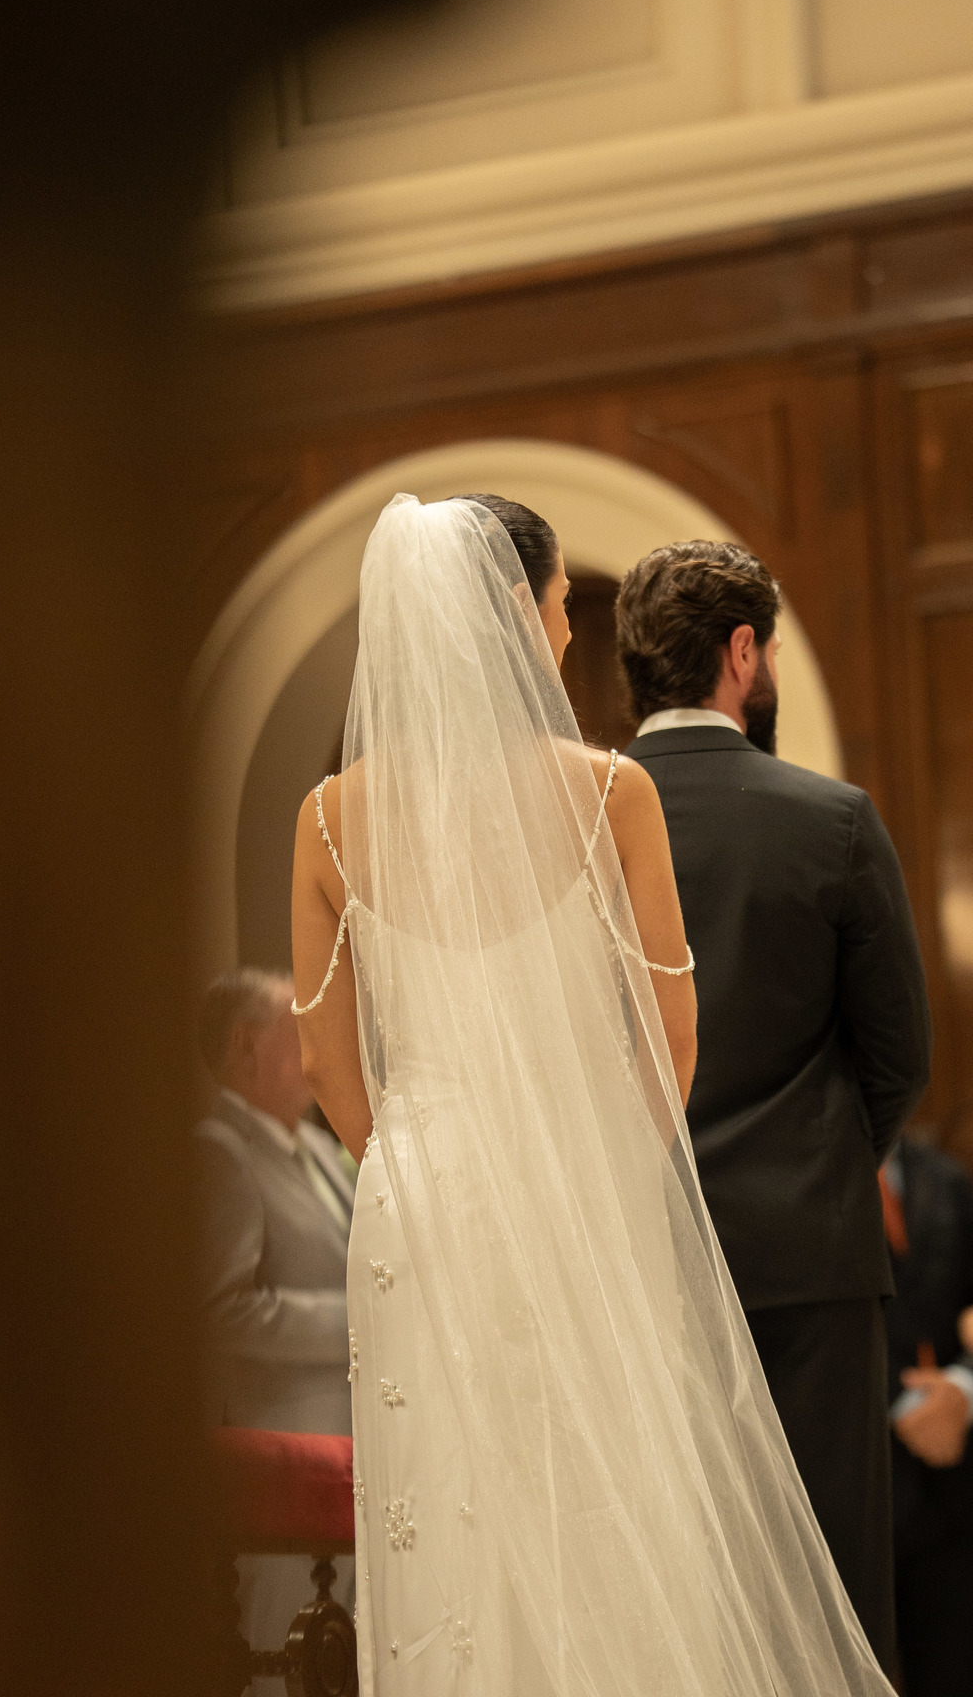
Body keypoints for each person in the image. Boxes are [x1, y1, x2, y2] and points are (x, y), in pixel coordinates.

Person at [290, 491, 896, 1696]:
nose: (569, 629)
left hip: (417, 1196)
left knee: (446, 1503)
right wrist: (609, 1160)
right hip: (577, 1181)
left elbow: (322, 1063)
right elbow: (668, 1032)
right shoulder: (609, 792)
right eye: (564, 602)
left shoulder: (326, 819)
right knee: (603, 1502)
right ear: (517, 611)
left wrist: (406, 1153)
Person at [615, 541, 932, 1671]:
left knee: (671, 1584)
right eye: (776, 645)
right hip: (811, 1258)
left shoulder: (575, 826)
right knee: (831, 1591)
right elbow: (900, 1053)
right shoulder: (830, 819)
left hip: (632, 1260)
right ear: (741, 653)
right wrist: (826, 1162)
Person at [195, 967, 357, 1691]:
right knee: (284, 1648)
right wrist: (358, 1323)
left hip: (353, 1442)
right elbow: (220, 1307)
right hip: (282, 1450)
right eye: (300, 1024)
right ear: (245, 1046)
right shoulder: (220, 1149)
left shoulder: (325, 1150)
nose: (320, 1039)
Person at [880, 1134, 973, 1697]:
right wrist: (905, 1404)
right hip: (855, 1484)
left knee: (961, 1669)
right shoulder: (797, 1171)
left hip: (956, 1483)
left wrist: (966, 1389)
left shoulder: (943, 1176)